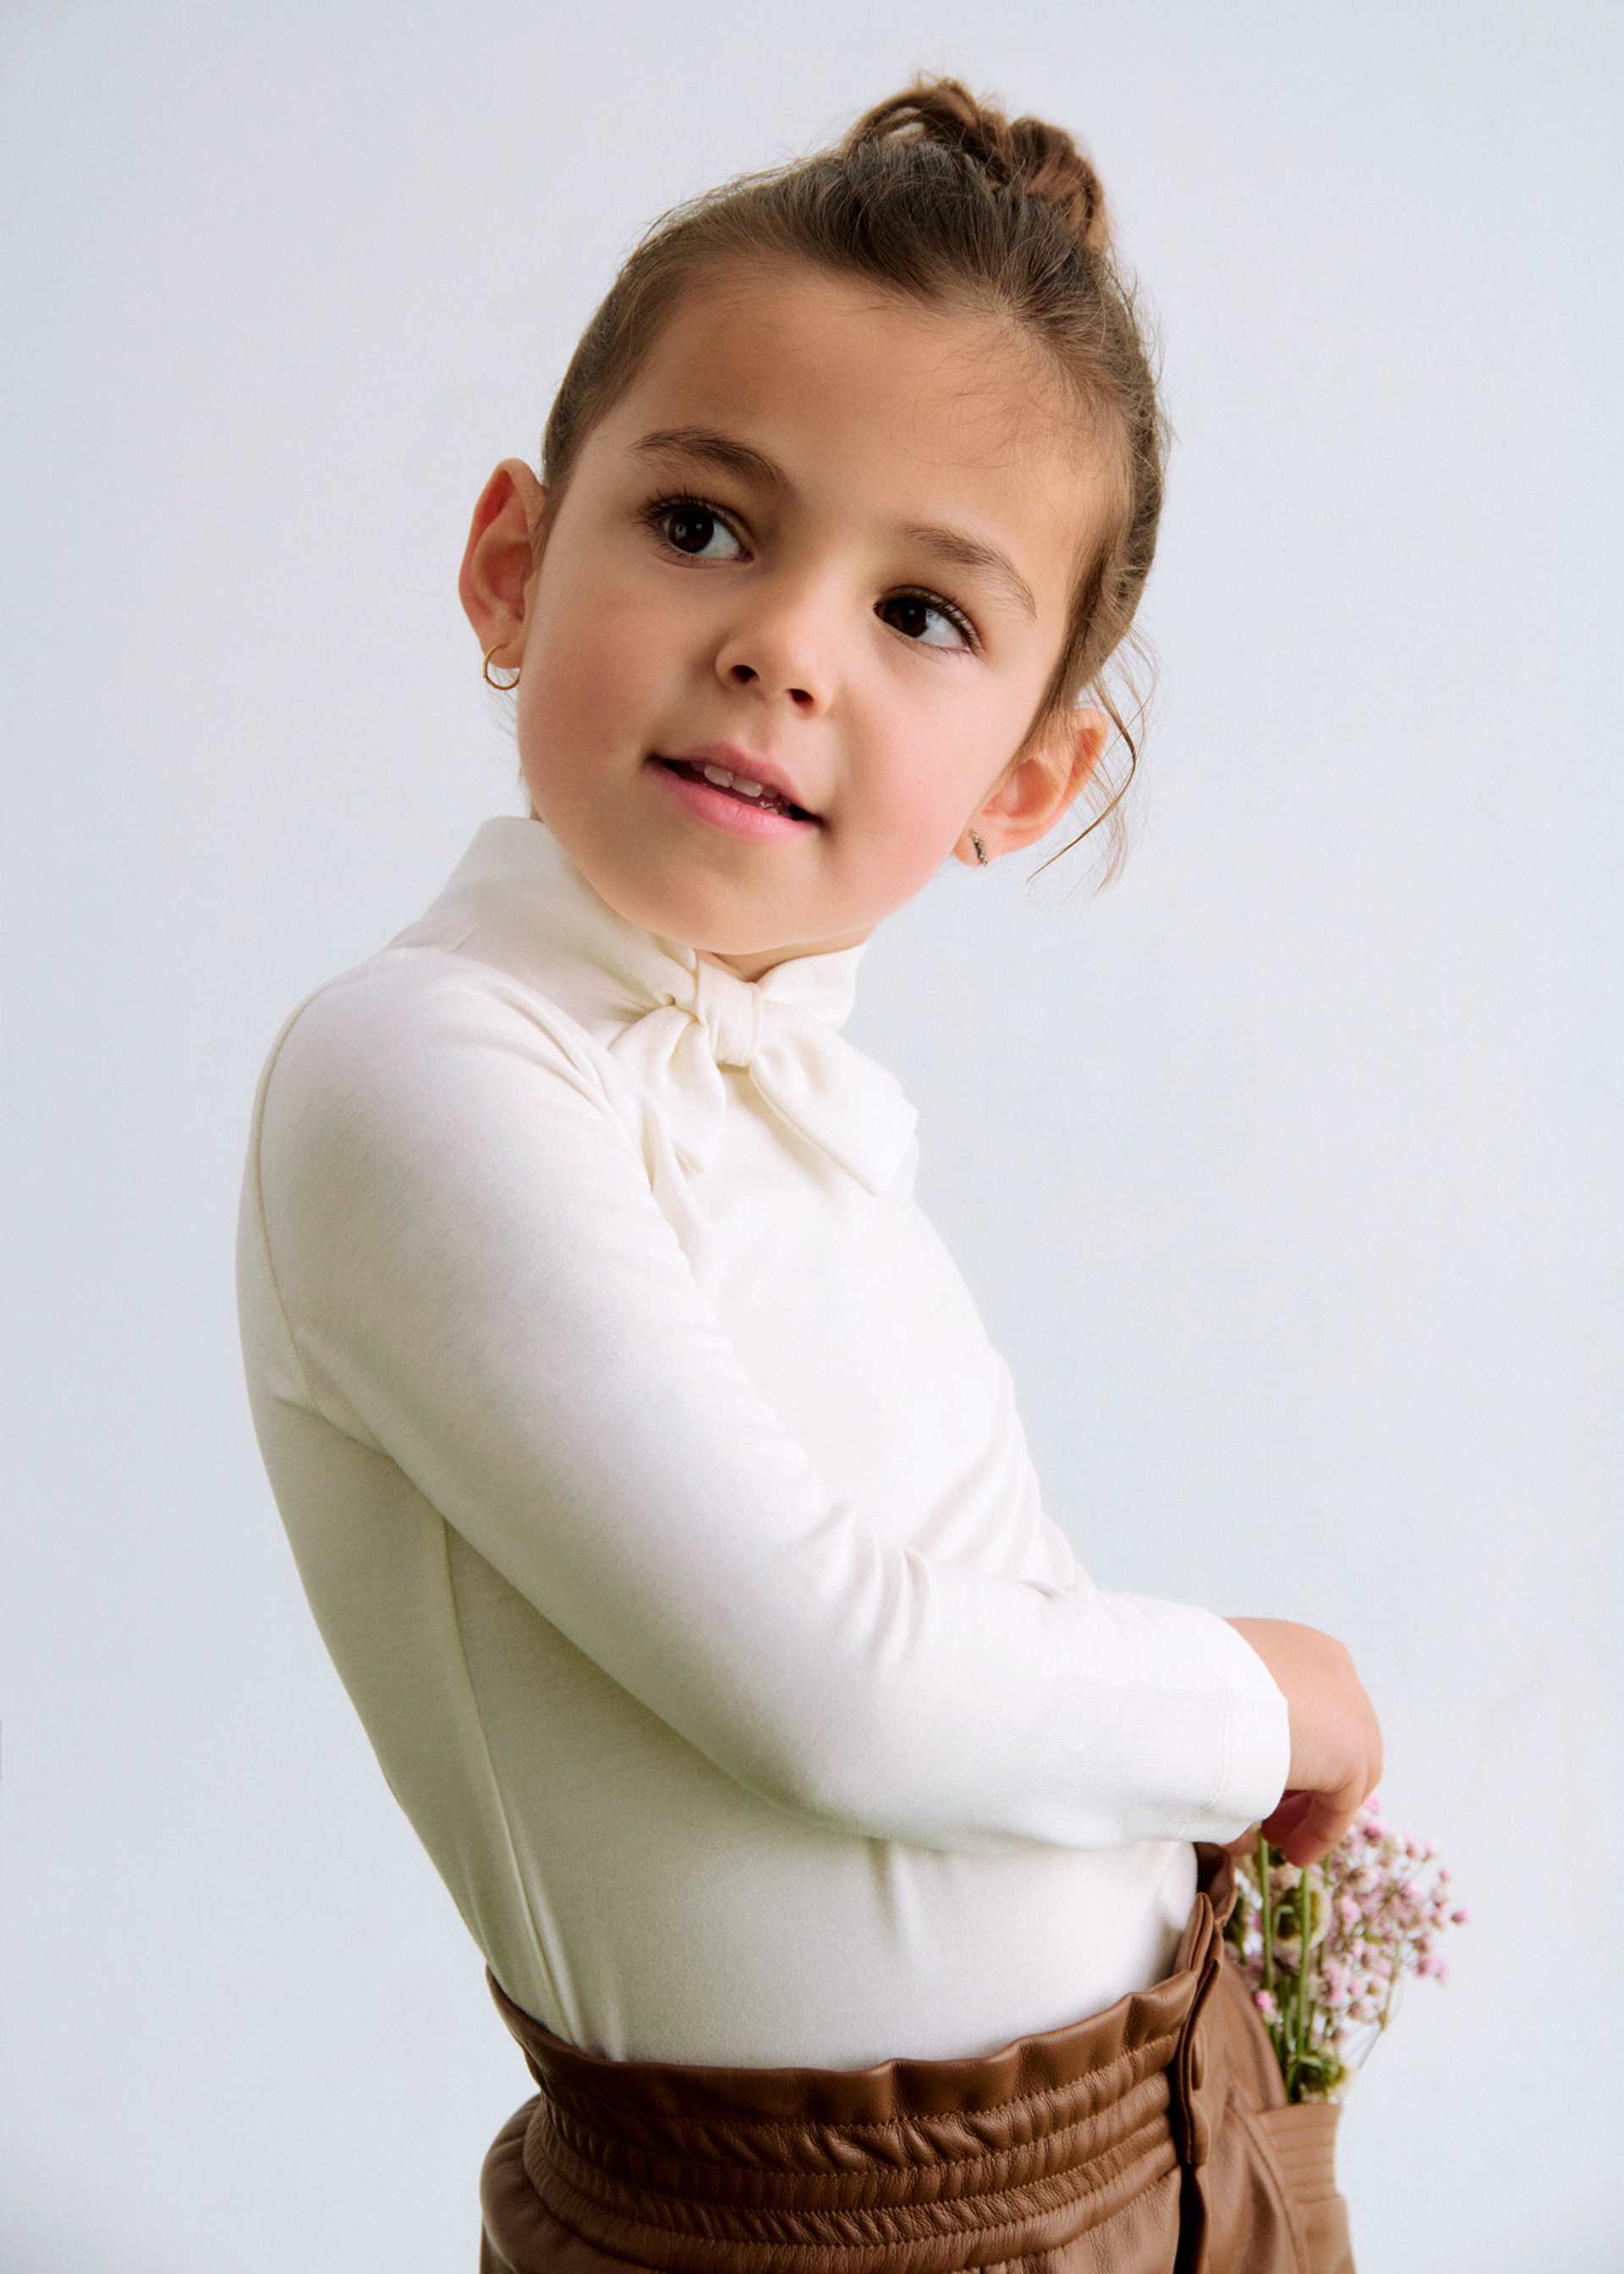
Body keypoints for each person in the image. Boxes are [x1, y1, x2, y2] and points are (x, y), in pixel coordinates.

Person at [234, 69, 1379, 2273]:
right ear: (511, 558)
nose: (782, 643)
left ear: (1025, 780)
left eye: (923, 615)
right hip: (841, 2230)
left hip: (1177, 2108)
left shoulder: (801, 1105)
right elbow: (835, 1686)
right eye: (702, 526)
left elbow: (976, 1611)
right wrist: (1266, 1693)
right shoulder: (427, 1068)